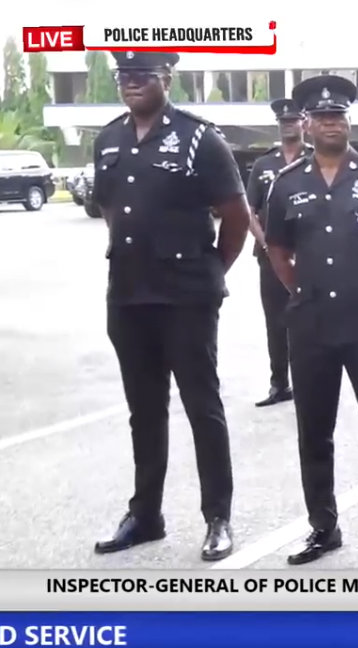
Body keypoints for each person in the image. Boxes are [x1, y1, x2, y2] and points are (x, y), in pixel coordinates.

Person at [91, 51, 250, 561]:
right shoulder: (108, 139)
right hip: (129, 295)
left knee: (203, 407)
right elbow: (110, 208)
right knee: (144, 411)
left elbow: (236, 216)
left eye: (142, 74)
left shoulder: (201, 139)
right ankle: (146, 515)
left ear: (167, 78)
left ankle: (218, 517)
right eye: (124, 74)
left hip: (186, 298)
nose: (131, 82)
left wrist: (210, 273)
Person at [264, 75, 358, 567]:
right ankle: (323, 527)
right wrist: (301, 291)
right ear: (306, 124)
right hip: (311, 326)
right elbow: (277, 248)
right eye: (322, 117)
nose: (331, 123)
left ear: (349, 121)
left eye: (339, 116)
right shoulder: (287, 183)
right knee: (314, 432)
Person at [245, 99, 312, 407]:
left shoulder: (315, 159)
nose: (288, 125)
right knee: (275, 321)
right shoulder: (264, 165)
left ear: (304, 123)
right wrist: (267, 244)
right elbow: (249, 210)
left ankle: (308, 380)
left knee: (308, 319)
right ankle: (279, 383)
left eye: (293, 120)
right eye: (283, 122)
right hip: (270, 258)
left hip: (309, 255)